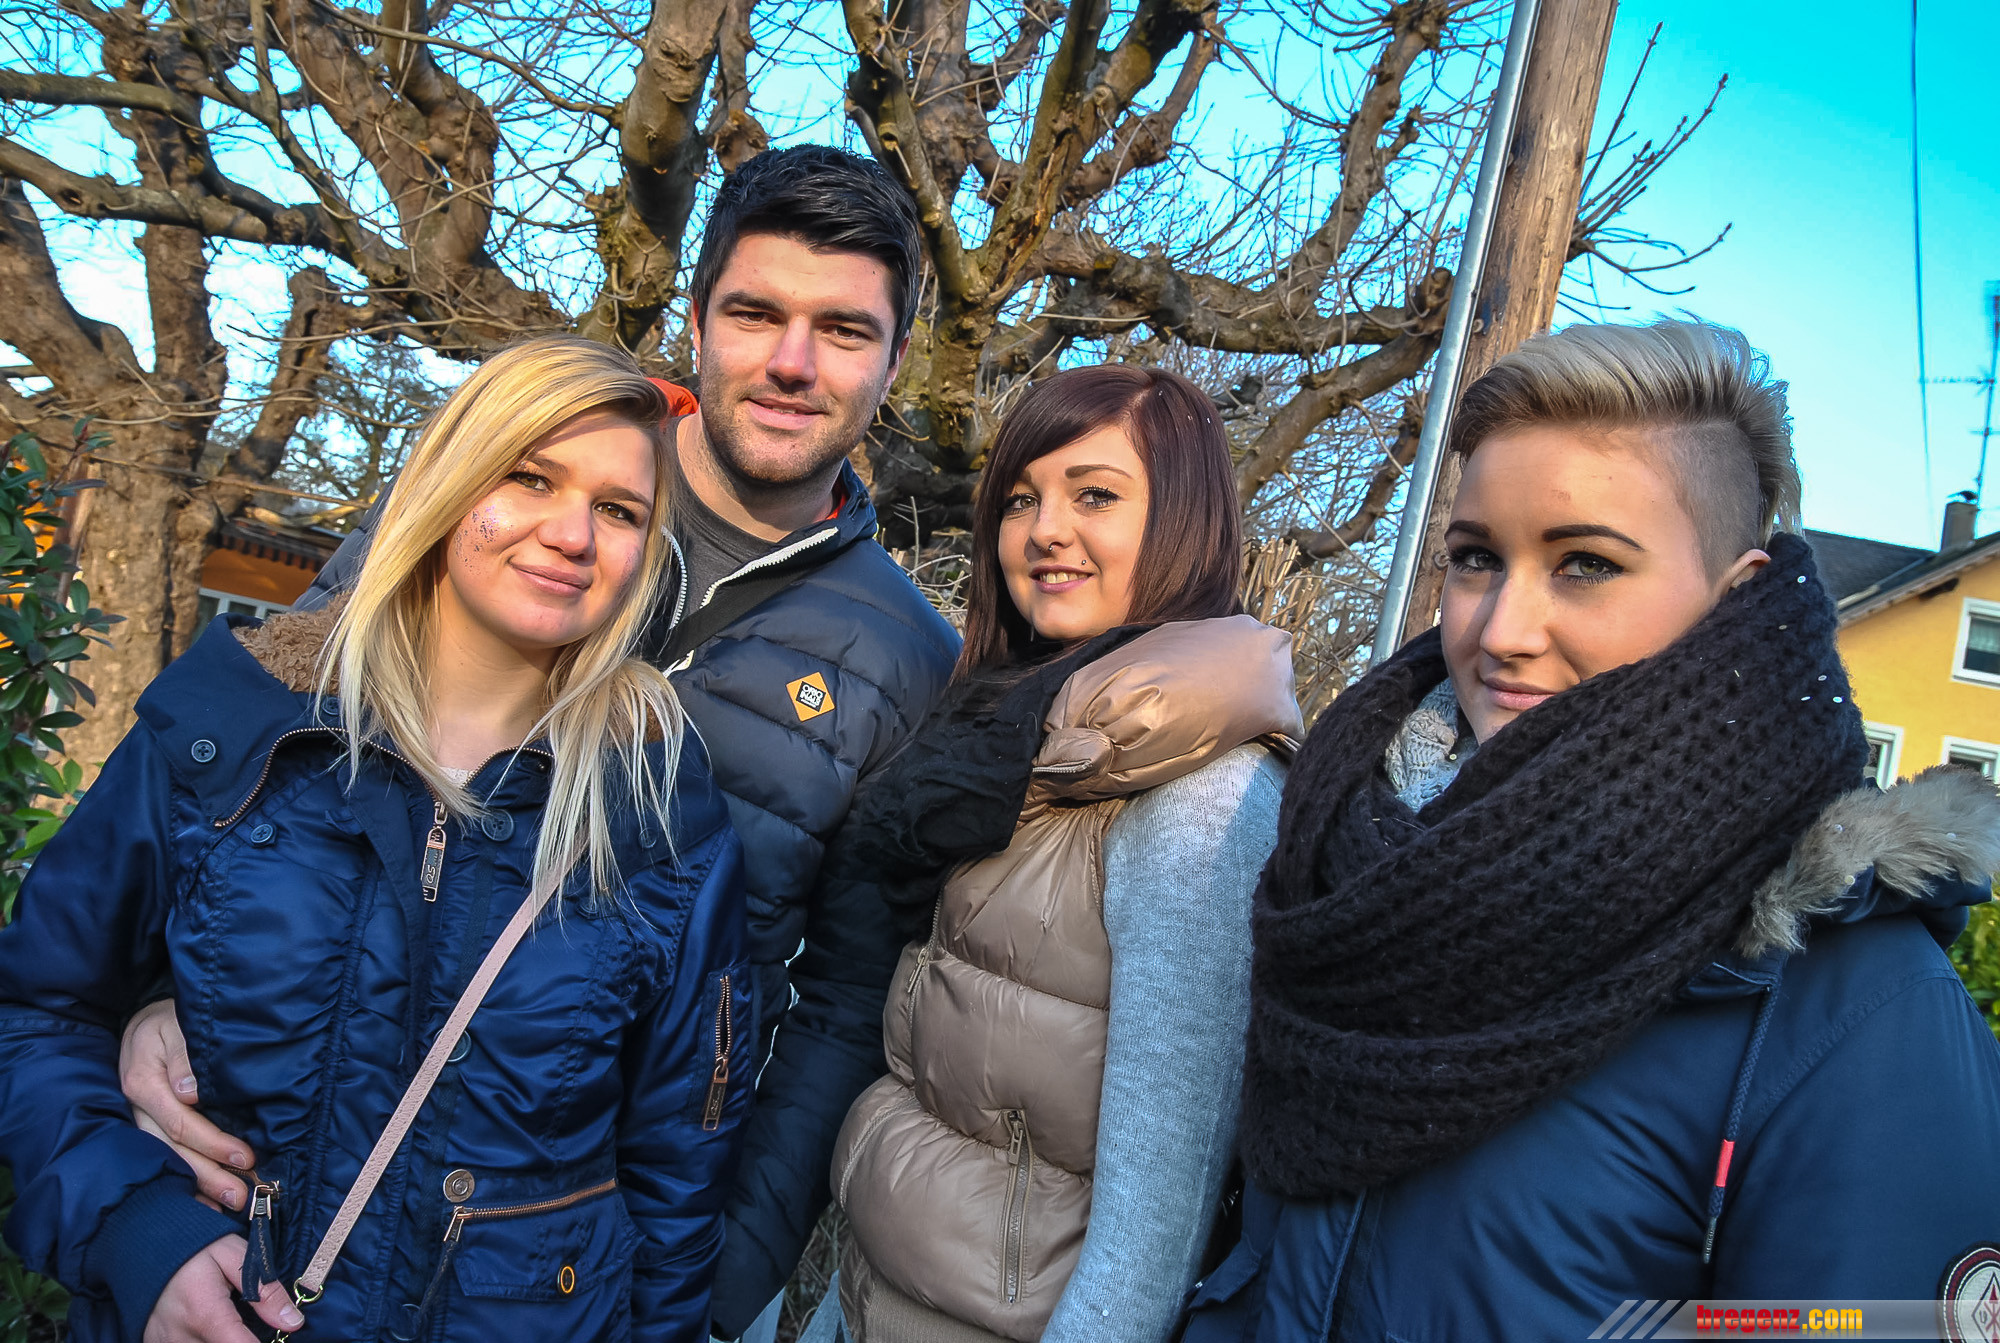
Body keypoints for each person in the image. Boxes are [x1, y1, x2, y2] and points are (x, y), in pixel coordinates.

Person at [113, 145, 962, 1339]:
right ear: (696, 318)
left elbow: (842, 997)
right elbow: (269, 756)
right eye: (755, 312)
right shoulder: (499, 492)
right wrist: (164, 993)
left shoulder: (910, 657)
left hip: (563, 1248)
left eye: (842, 329)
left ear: (895, 358)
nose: (790, 360)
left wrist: (725, 1269)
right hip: (295, 1163)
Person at [1182, 319, 2000, 1343]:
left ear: (1736, 595)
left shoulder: (1854, 1011)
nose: (1499, 630)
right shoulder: (1340, 874)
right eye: (1475, 558)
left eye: (1585, 563)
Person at [0, 336, 753, 1341]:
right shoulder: (233, 730)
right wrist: (136, 1225)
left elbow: (675, 1183)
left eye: (619, 510)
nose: (572, 532)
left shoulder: (662, 818)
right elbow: (38, 1011)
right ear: (448, 484)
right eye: (530, 477)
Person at [811, 364, 1304, 1343]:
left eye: (1095, 495)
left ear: (1184, 522)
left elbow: (1150, 1238)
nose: (1044, 530)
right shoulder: (1015, 748)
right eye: (1020, 499)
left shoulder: (1199, 798)